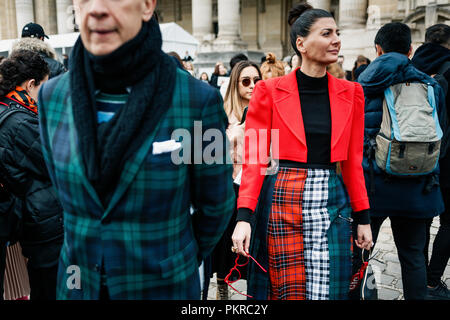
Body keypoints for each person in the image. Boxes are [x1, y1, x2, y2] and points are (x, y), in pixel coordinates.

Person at [37, 0, 235, 300]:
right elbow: (68, 196)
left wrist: (174, 259)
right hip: (77, 286)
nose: (96, 9)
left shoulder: (197, 101)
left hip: (162, 287)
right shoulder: (51, 97)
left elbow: (216, 205)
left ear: (146, 6)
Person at [231, 3, 372, 300]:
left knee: (331, 290)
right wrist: (244, 217)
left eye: (337, 33)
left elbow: (353, 164)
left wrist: (364, 218)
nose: (336, 39)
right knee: (287, 290)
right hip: (284, 199)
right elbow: (255, 158)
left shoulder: (353, 92)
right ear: (301, 44)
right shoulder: (268, 91)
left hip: (333, 201)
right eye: (326, 33)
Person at [357, 22, 448, 300]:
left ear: (377, 49)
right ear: (410, 50)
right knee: (413, 259)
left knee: (360, 257)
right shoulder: (432, 85)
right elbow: (441, 140)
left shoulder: (361, 85)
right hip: (417, 187)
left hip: (372, 186)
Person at [0, 50, 64, 300]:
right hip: (42, 224)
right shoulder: (19, 122)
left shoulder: (8, 110)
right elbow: (57, 161)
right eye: (44, 88)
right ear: (30, 85)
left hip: (35, 220)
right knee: (50, 287)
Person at [210, 60, 262, 300]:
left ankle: (255, 291)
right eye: (246, 81)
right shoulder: (222, 114)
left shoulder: (265, 111)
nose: (253, 85)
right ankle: (223, 289)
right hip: (228, 189)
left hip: (256, 187)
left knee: (254, 248)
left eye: (257, 80)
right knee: (224, 248)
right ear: (235, 83)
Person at [412, 23, 450, 300]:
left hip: (415, 156)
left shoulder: (411, 67)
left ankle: (418, 275)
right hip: (448, 158)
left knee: (422, 221)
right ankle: (431, 279)